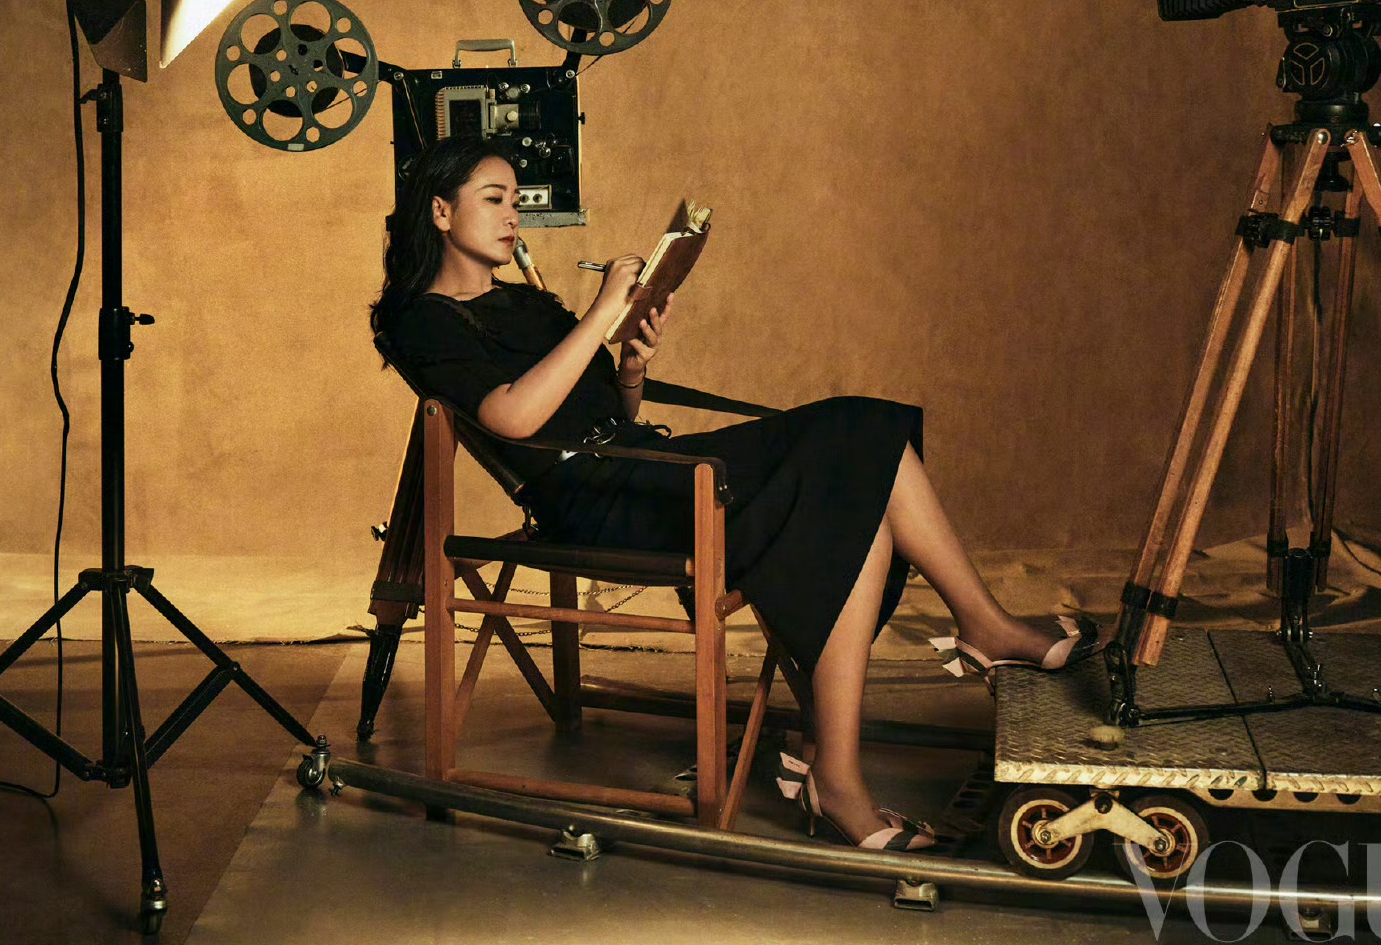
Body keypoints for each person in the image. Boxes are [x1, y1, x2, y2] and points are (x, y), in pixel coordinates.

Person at [373, 138, 1094, 851]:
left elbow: (612, 417)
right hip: (594, 504)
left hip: (645, 465)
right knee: (857, 445)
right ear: (441, 212)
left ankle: (861, 748)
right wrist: (599, 315)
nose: (513, 216)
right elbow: (512, 418)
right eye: (494, 199)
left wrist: (631, 366)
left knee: (864, 453)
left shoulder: (526, 303)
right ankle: (956, 656)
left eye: (516, 200)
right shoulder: (420, 320)